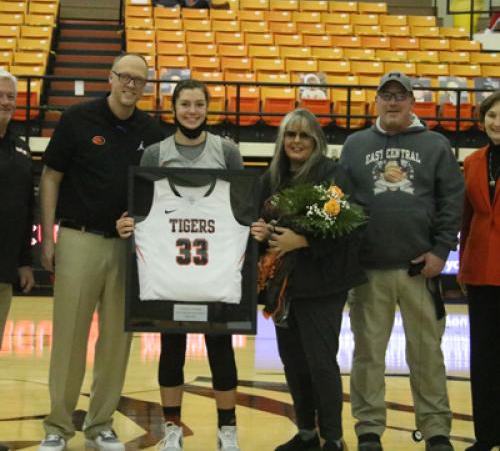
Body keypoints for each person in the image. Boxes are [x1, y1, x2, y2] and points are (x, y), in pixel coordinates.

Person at [38, 53, 164, 451]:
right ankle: (58, 426)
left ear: (145, 87)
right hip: (80, 239)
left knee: (117, 340)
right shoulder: (77, 119)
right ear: (110, 78)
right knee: (70, 337)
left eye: (139, 80)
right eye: (125, 77)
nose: (131, 84)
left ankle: (101, 424)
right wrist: (48, 237)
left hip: (129, 249)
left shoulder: (153, 132)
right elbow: (50, 176)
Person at [116, 79, 244, 451]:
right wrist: (129, 223)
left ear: (207, 108)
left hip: (214, 270)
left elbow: (241, 207)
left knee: (221, 348)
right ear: (173, 109)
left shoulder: (227, 151)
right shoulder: (155, 154)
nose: (192, 111)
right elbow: (142, 210)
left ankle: (227, 430)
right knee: (171, 347)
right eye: (185, 104)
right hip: (171, 272)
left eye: (199, 104)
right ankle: (172, 429)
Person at [339, 72, 464, 451]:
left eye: (400, 96)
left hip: (418, 270)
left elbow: (451, 202)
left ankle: (436, 429)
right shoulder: (355, 144)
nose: (393, 102)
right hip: (368, 271)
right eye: (386, 95)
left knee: (427, 354)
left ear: (412, 102)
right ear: (376, 101)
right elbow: (339, 202)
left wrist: (441, 251)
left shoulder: (436, 145)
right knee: (368, 354)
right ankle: (369, 429)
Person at [250, 108, 366, 451]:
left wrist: (304, 241)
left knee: (320, 363)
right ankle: (306, 434)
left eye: (303, 135)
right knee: (294, 363)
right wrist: (259, 232)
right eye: (290, 134)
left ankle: (333, 437)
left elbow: (352, 227)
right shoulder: (270, 178)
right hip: (281, 289)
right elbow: (254, 222)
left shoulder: (334, 174)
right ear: (281, 140)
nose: (296, 141)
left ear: (316, 140)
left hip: (322, 285)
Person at [458, 90, 500, 451]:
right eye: (491, 115)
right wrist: (463, 270)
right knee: (483, 358)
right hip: (479, 270)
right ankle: (486, 435)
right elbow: (466, 218)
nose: (497, 122)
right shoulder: (472, 162)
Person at [0, 69, 35, 349]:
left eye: (10, 96)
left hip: (4, 267)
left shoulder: (21, 148)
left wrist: (24, 262)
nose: (6, 102)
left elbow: (26, 209)